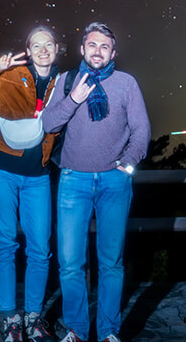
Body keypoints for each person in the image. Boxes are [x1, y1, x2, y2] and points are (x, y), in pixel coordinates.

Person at [41, 22, 150, 342]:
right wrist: (73, 98)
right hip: (73, 181)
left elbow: (141, 129)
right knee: (71, 263)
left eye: (104, 46)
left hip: (114, 184)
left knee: (111, 262)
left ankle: (108, 332)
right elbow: (48, 123)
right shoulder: (66, 81)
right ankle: (76, 330)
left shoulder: (127, 83)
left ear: (113, 52)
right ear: (82, 49)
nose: (97, 51)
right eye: (92, 45)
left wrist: (127, 166)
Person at [0, 26, 62, 342]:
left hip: (38, 177)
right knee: (4, 243)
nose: (43, 49)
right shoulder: (9, 76)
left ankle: (32, 316)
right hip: (1, 169)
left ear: (57, 48)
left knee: (40, 249)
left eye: (48, 44)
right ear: (28, 51)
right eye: (36, 44)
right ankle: (9, 318)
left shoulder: (65, 83)